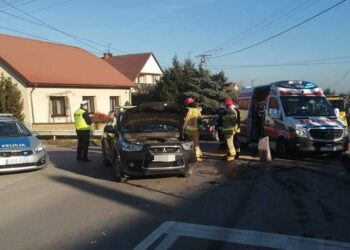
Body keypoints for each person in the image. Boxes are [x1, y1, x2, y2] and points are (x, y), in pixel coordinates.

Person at [184, 97, 203, 162]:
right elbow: (200, 120)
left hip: (187, 130)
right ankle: (198, 156)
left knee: (189, 144)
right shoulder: (197, 110)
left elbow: (184, 120)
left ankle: (191, 156)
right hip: (195, 130)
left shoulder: (186, 111)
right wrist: (200, 128)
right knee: (196, 143)